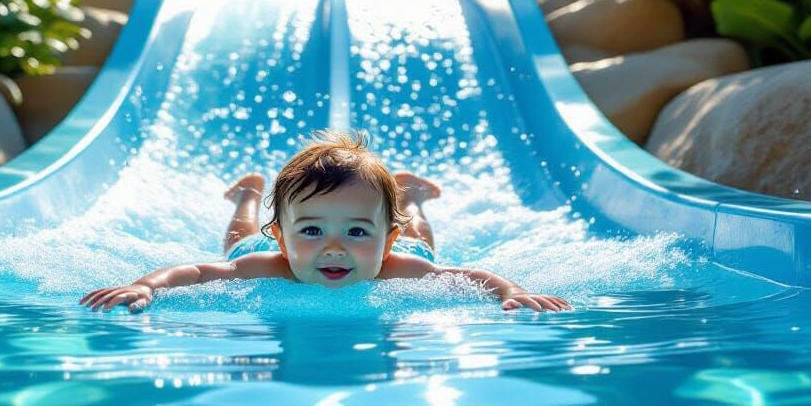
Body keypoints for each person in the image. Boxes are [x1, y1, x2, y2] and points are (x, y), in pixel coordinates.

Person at [80, 130, 572, 314]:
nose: (333, 247)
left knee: (423, 242)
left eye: (357, 231)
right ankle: (248, 194)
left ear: (384, 241)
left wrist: (509, 291)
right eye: (312, 230)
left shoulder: (397, 265)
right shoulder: (267, 260)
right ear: (284, 236)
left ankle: (412, 196)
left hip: (404, 242)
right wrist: (145, 286)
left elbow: (468, 278)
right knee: (237, 244)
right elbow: (195, 272)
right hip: (259, 244)